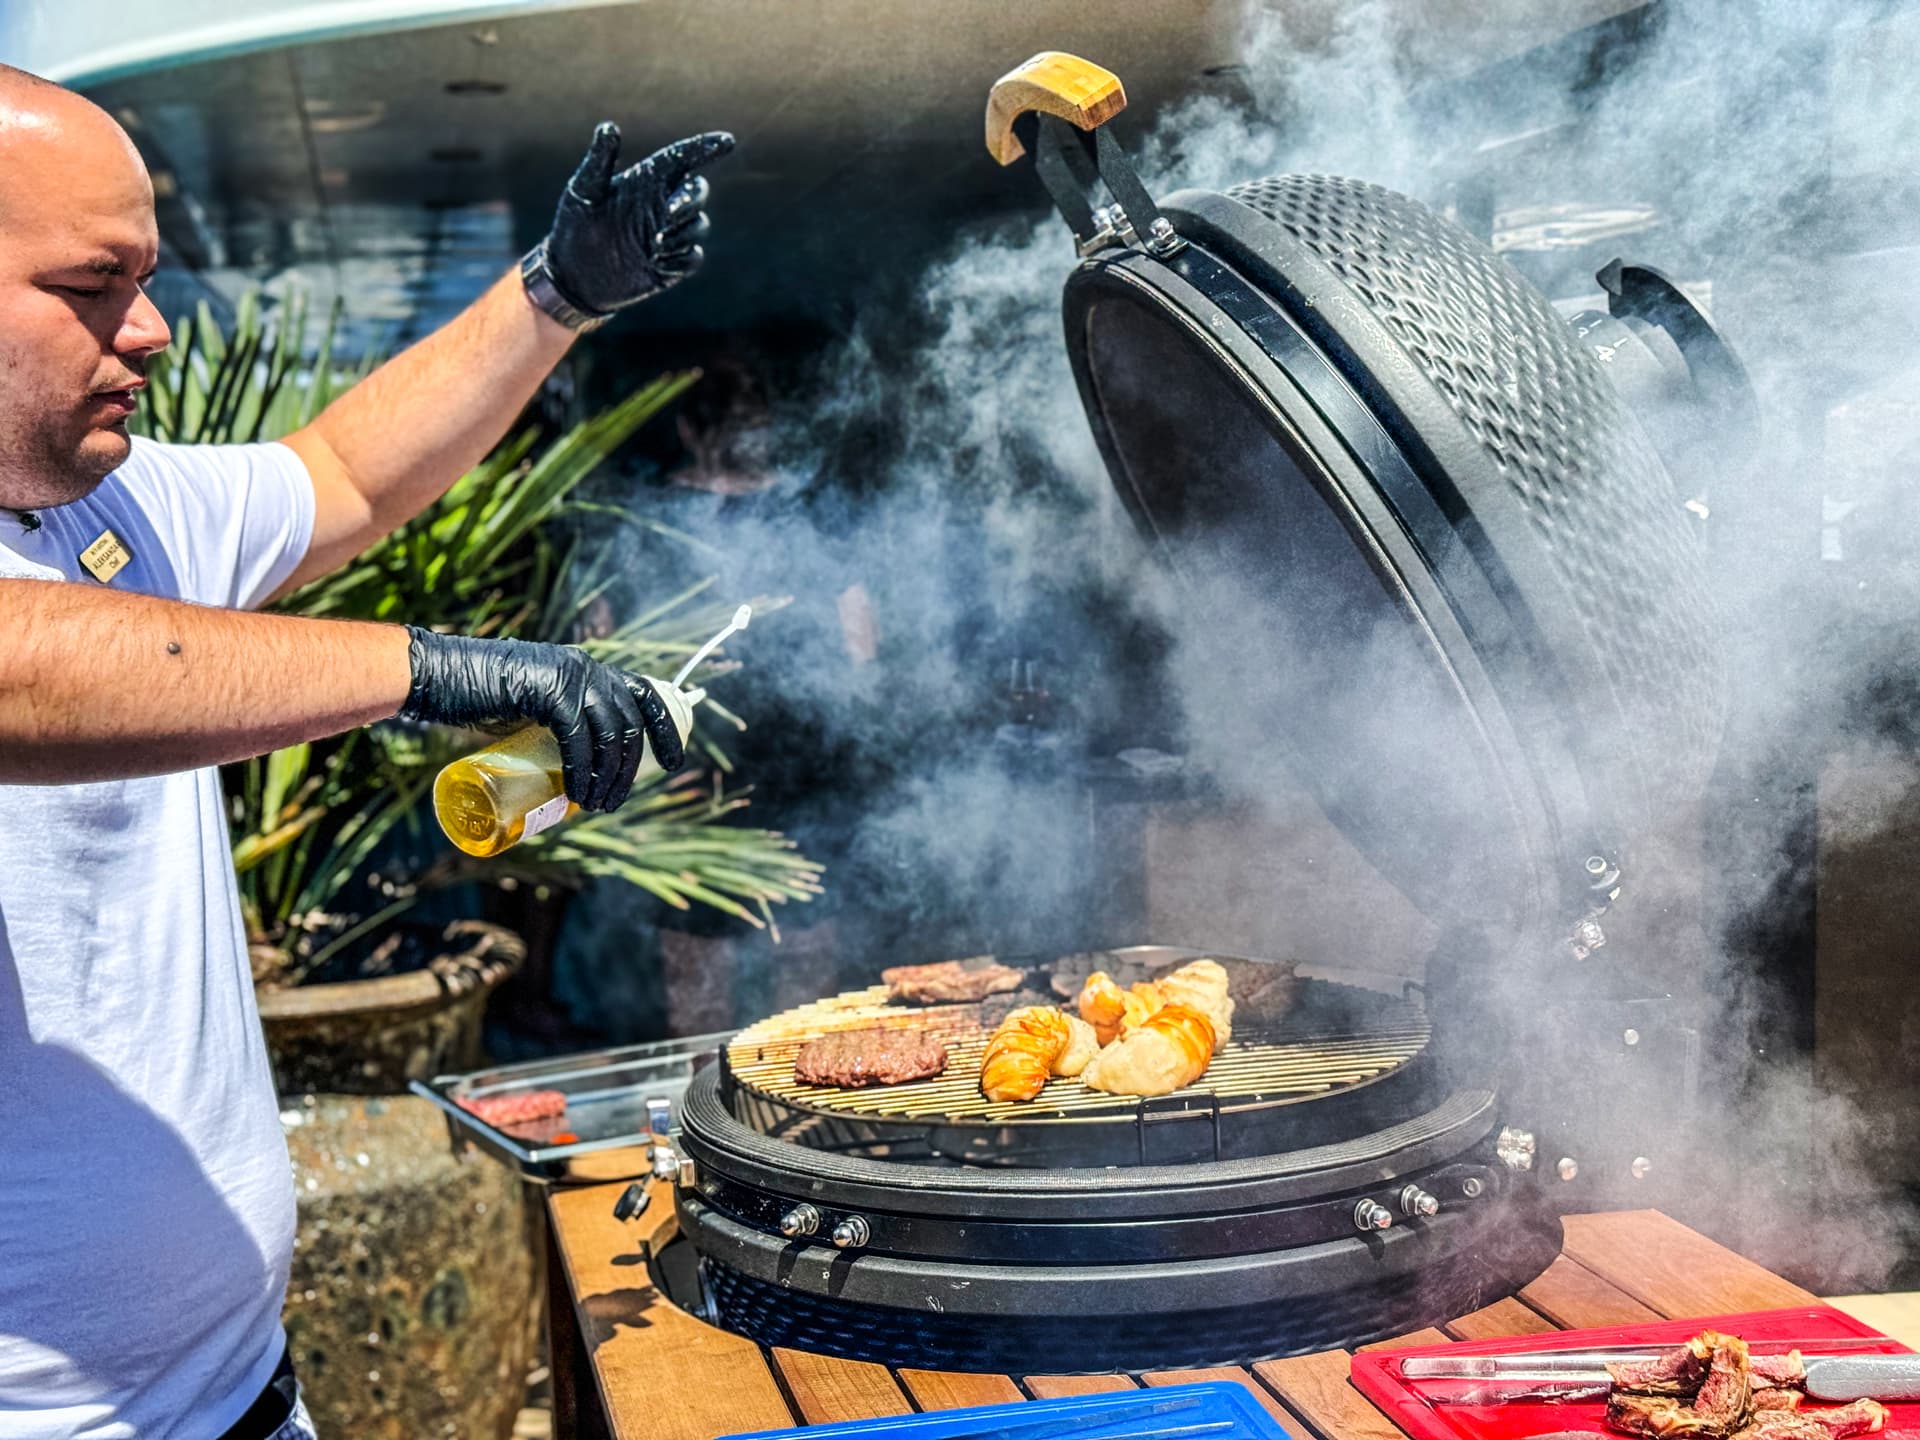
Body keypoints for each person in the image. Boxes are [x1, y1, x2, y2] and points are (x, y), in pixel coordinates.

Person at [0, 63, 734, 1440]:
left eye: (149, 279)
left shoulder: (116, 500)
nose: (151, 329)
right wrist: (427, 668)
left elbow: (341, 475)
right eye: (93, 285)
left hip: (241, 1394)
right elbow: (25, 669)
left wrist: (552, 297)